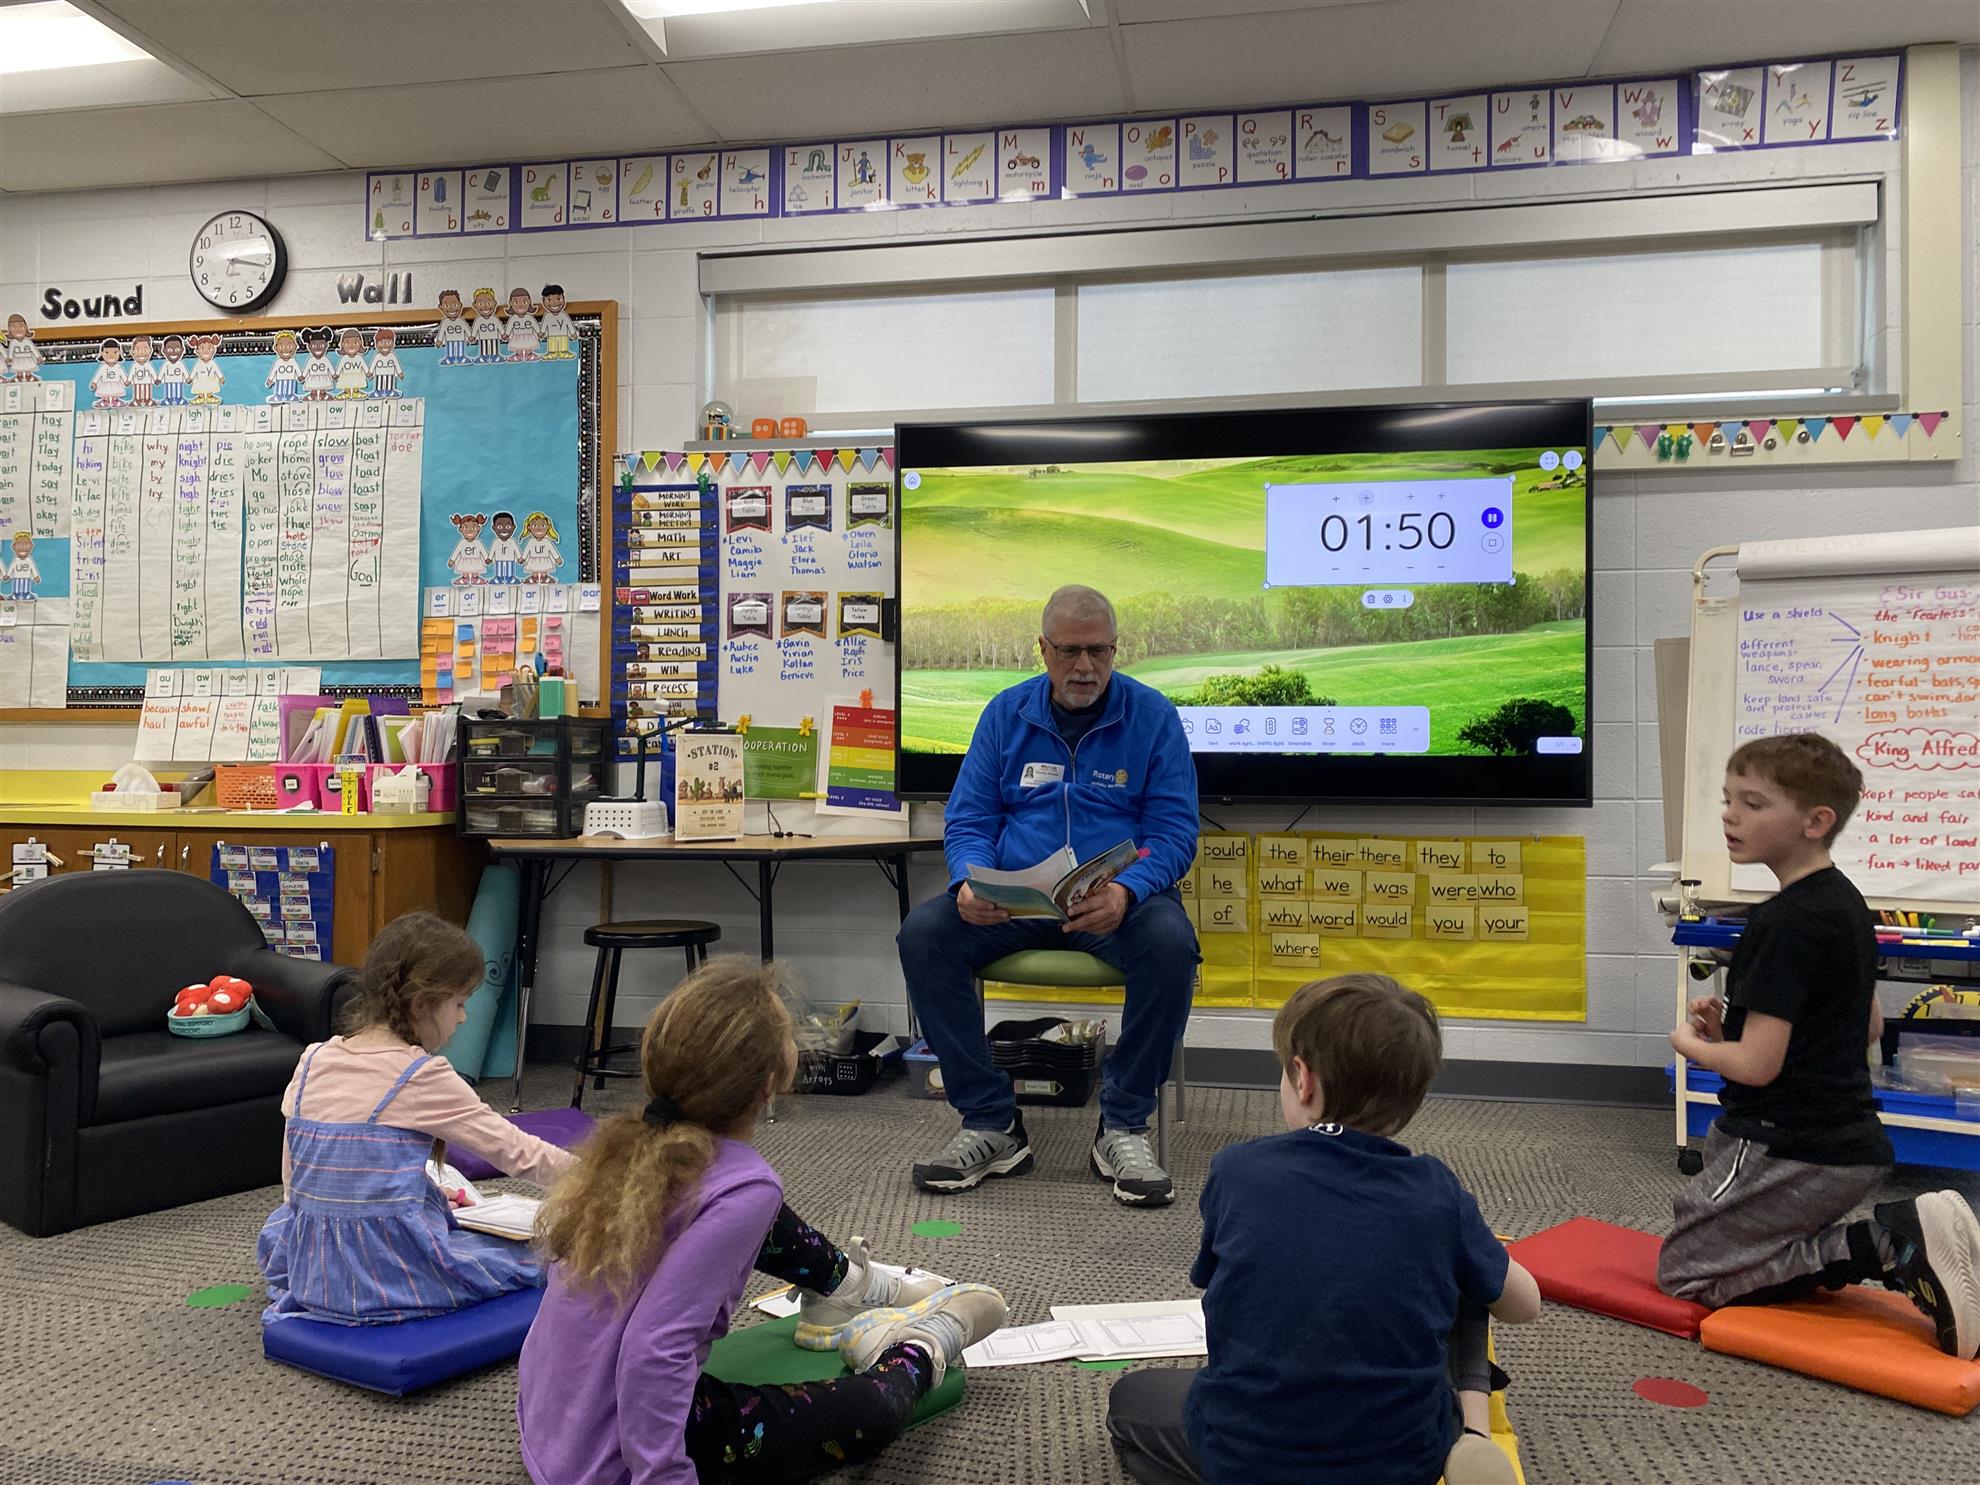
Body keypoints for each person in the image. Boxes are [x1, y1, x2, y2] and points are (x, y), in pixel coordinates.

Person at [518, 958, 1008, 1485]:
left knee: (750, 1210)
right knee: (871, 1414)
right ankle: (924, 1341)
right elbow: (652, 1352)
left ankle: (850, 1287)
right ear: (772, 1082)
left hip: (553, 1425)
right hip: (612, 1455)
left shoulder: (638, 1144)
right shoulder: (747, 1187)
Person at [1107, 974, 1541, 1485]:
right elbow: (1524, 1305)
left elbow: (1221, 1284)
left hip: (1247, 1452)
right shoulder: (1437, 1191)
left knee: (1131, 1400)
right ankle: (1474, 1437)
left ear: (1303, 1079)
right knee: (1471, 1272)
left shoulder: (1237, 1169)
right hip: (1403, 1463)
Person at [1659, 733, 1980, 1358]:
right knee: (1719, 1231)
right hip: (1847, 1143)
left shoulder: (1783, 923)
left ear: (1816, 822)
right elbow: (1864, 1027)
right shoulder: (1846, 904)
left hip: (1787, 1146)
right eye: (1728, 799)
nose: (1729, 816)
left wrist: (1689, 1045)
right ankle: (1906, 1238)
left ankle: (1885, 1244)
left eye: (1752, 803)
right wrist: (1729, 1034)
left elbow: (1757, 1068)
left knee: (1685, 1274)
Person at [898, 584, 1199, 1206]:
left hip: (1117, 904)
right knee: (924, 935)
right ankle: (992, 1122)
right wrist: (969, 882)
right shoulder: (1005, 714)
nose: (1085, 667)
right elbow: (969, 819)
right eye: (1069, 652)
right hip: (1014, 903)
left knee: (1172, 943)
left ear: (1115, 650)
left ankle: (1122, 1125)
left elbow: (1174, 833)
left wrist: (1128, 890)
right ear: (1043, 649)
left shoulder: (1153, 717)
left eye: (1099, 651)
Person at [256, 912, 572, 1325]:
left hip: (313, 1269)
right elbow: (519, 1152)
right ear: (422, 1003)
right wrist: (603, 1183)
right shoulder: (420, 1075)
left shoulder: (312, 1059)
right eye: (459, 1004)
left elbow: (295, 1182)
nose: (463, 1018)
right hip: (384, 1274)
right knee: (544, 1257)